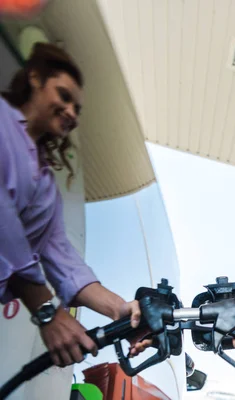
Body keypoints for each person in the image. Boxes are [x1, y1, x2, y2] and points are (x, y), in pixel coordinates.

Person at [1, 43, 149, 367]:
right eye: (64, 96)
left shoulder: (45, 188)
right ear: (35, 80)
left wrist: (120, 308)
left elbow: (64, 261)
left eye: (77, 109)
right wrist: (46, 311)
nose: (71, 112)